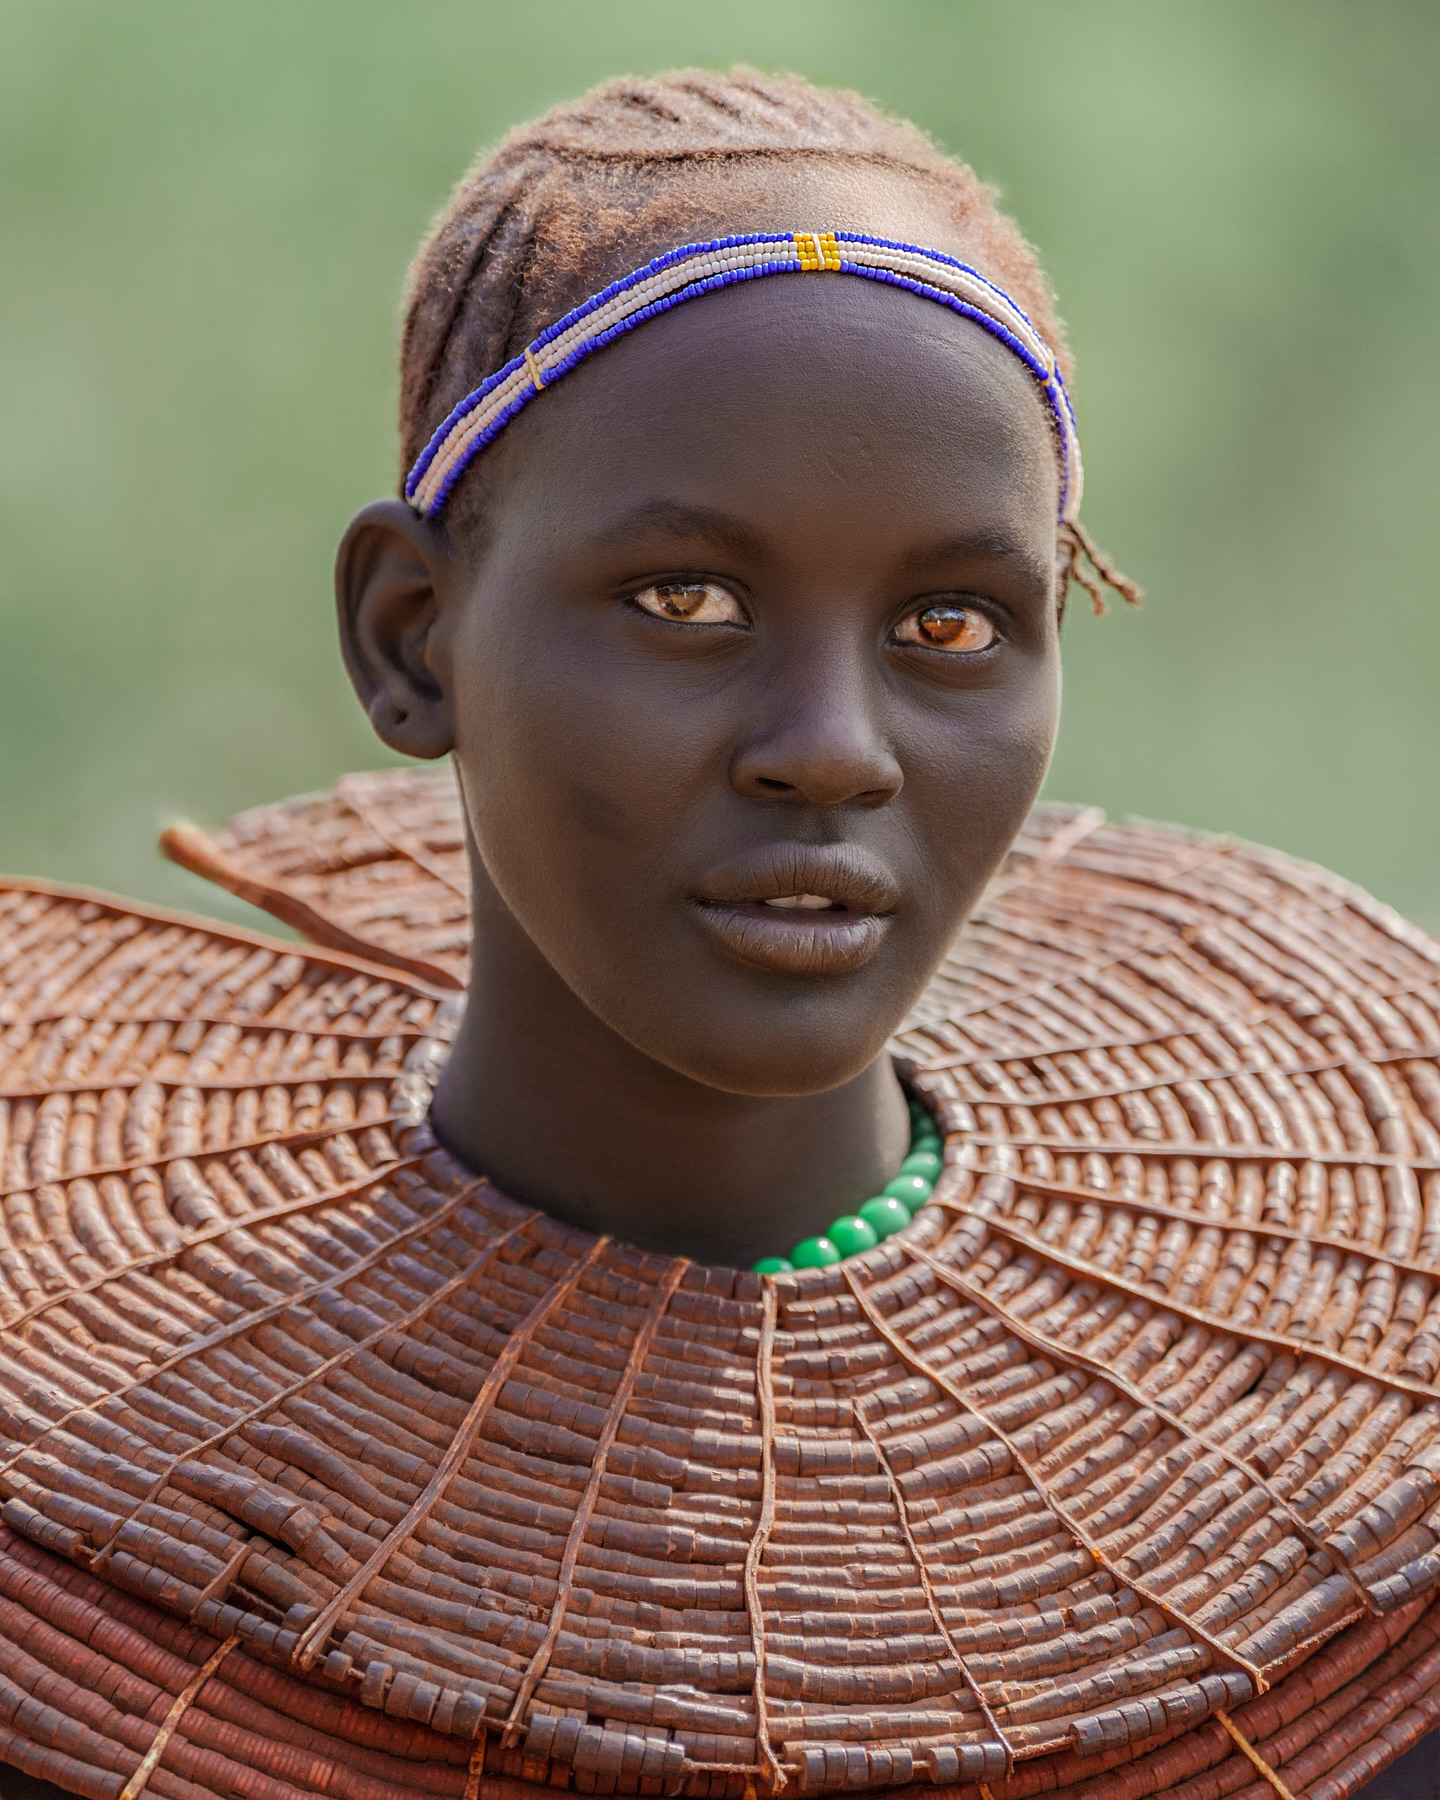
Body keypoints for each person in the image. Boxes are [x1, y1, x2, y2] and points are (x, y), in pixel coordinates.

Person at [1, 68, 1438, 1800]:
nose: (833, 743)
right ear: (410, 636)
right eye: (687, 601)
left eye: (953, 620)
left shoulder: (1352, 1569)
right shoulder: (88, 1578)